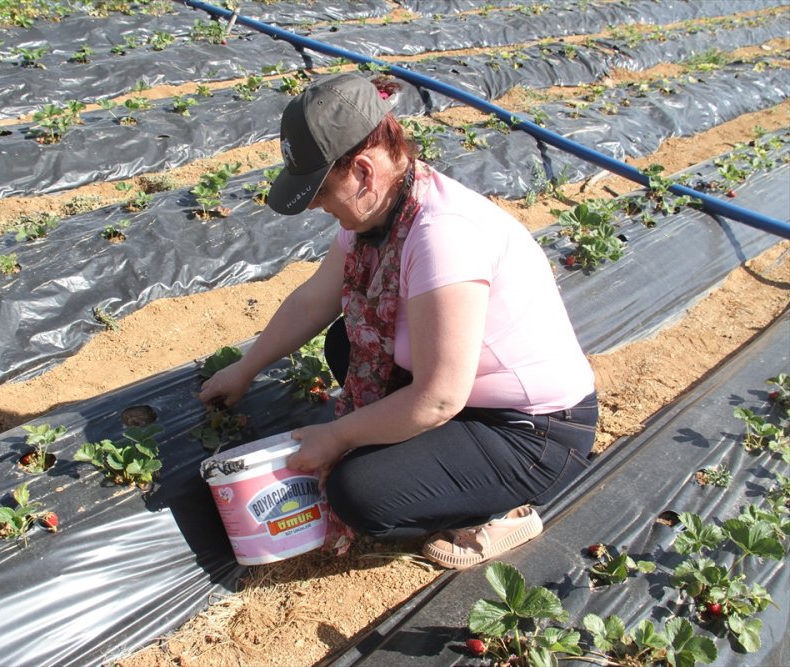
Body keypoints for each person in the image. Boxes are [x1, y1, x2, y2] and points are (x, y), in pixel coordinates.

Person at [199, 72, 597, 570]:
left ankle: (499, 513)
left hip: (530, 432)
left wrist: (339, 437)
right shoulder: (385, 208)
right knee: (346, 341)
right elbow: (312, 302)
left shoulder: (444, 236)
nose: (317, 206)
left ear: (363, 172)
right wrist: (245, 368)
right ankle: (429, 456)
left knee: (360, 493)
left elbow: (440, 397)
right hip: (464, 397)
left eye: (320, 191)